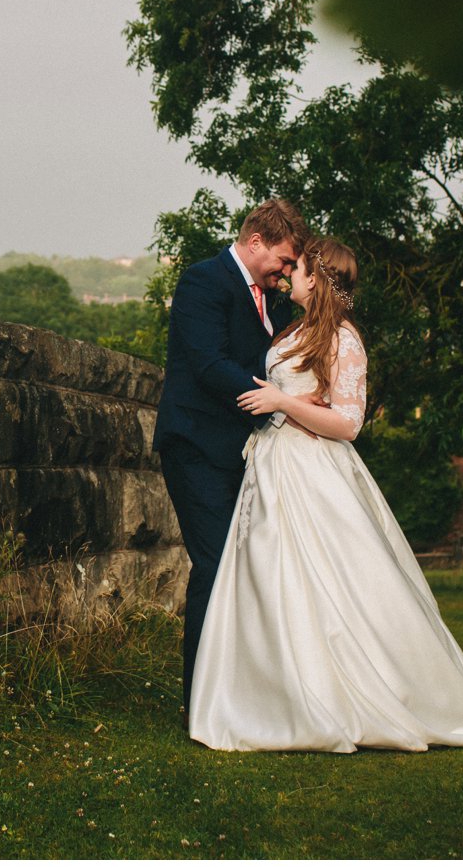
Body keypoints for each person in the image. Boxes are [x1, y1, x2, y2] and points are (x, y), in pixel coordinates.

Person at [189, 237, 463, 753]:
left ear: (316, 279)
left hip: (311, 470)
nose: (288, 276)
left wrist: (282, 401)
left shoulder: (345, 340)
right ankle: (274, 695)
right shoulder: (292, 330)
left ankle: (349, 693)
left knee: (328, 579)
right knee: (269, 578)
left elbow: (348, 424)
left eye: (296, 269)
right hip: (272, 466)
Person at [153, 197, 309, 715]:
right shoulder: (204, 281)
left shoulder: (274, 301)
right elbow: (208, 363)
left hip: (243, 453)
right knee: (215, 565)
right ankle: (201, 700)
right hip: (196, 445)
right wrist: (276, 406)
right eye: (284, 261)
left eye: (291, 267)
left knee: (246, 568)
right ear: (256, 241)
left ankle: (239, 693)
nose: (285, 273)